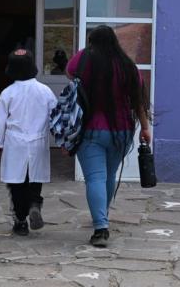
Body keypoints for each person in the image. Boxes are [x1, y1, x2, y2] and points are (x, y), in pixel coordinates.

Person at [66, 25, 151, 247]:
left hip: (90, 130)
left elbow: (68, 72)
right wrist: (145, 127)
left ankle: (100, 227)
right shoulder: (127, 65)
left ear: (91, 41)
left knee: (95, 178)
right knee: (109, 176)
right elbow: (138, 99)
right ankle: (102, 217)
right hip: (121, 132)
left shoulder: (84, 59)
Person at [0, 49, 57, 236]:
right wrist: (60, 139)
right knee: (34, 178)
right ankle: (35, 203)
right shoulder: (45, 91)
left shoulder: (8, 93)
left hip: (15, 143)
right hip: (38, 141)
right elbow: (56, 117)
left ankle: (20, 220)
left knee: (16, 183)